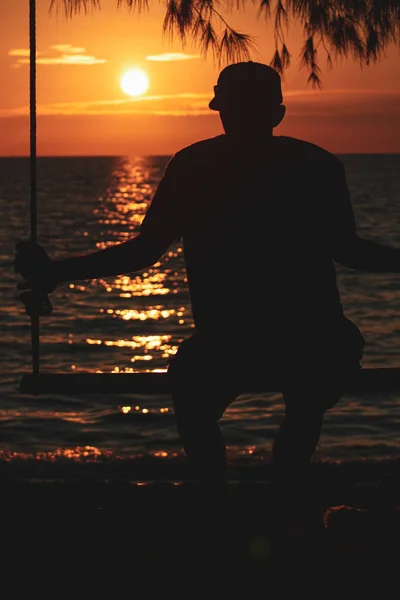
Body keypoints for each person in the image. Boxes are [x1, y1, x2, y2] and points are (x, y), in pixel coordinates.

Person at [14, 61, 400, 503]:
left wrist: (57, 272)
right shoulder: (315, 165)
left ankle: (219, 501)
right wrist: (56, 273)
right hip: (309, 335)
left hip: (234, 340)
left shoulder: (194, 165)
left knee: (196, 401)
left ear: (224, 110)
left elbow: (143, 252)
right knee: (303, 396)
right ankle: (277, 498)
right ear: (278, 113)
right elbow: (347, 250)